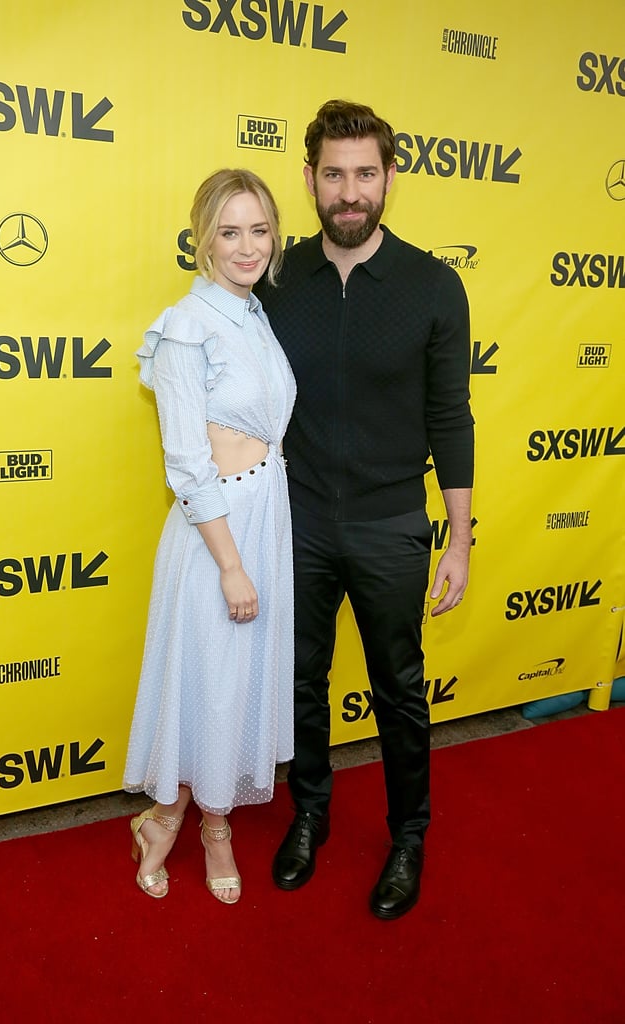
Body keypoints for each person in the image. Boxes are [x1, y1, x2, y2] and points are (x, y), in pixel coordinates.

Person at [255, 99, 474, 920]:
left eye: (366, 174)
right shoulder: (277, 280)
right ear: (310, 179)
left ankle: (408, 835)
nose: (350, 192)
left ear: (389, 178)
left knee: (399, 689)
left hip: (390, 524)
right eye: (335, 175)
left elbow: (449, 415)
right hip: (297, 520)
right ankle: (308, 813)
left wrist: (458, 536)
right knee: (301, 682)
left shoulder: (431, 285)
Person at [123, 169, 296, 905]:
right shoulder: (184, 326)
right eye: (229, 231)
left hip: (265, 523)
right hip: (214, 535)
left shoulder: (254, 316)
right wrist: (230, 566)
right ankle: (166, 817)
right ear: (202, 239)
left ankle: (215, 823)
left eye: (259, 230)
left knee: (237, 685)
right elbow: (187, 462)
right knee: (207, 683)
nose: (246, 246)